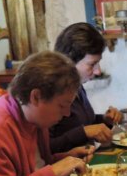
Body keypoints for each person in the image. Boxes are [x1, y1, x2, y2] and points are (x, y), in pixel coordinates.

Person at [43, 22, 122, 157]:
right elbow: (44, 149)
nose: (98, 71)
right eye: (92, 64)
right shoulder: (49, 94)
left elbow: (84, 123)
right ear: (69, 62)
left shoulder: (77, 86)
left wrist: (104, 120)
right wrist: (84, 132)